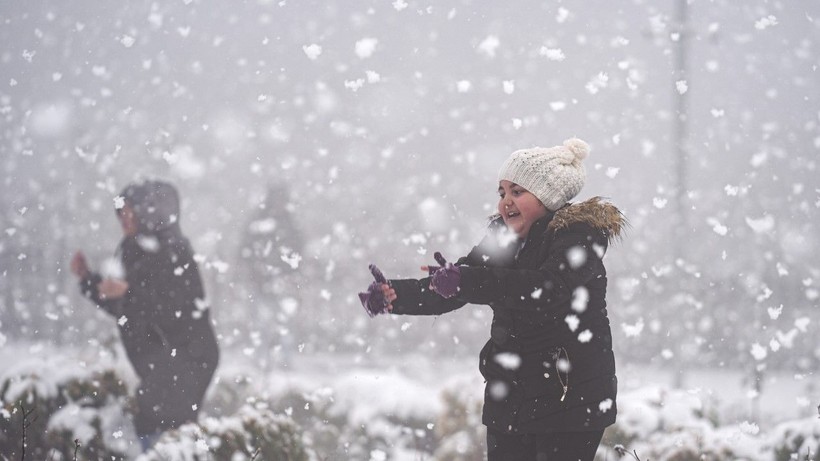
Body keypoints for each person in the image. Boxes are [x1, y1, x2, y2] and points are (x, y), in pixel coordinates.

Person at [359, 138, 625, 461]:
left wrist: (467, 280)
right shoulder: (504, 239)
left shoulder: (579, 237)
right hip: (511, 397)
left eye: (517, 192)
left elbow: (546, 288)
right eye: (502, 193)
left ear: (548, 197)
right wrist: (396, 296)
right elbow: (459, 284)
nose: (505, 202)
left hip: (569, 400)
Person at [71, 179, 220, 451]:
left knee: (162, 433)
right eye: (121, 214)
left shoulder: (173, 250)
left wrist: (128, 292)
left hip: (186, 358)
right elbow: (125, 307)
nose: (124, 220)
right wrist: (89, 281)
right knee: (159, 432)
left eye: (130, 212)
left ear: (148, 212)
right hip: (161, 363)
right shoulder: (133, 250)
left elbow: (175, 307)